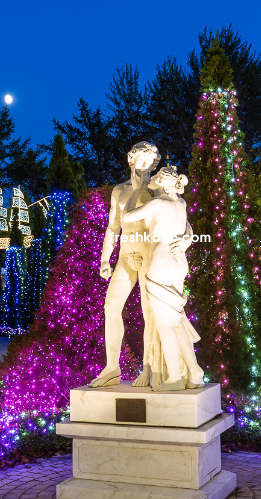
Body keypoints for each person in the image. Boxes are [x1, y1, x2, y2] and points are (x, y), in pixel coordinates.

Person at [122, 166, 204, 391]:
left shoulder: (157, 203)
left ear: (162, 182)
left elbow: (127, 216)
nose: (153, 181)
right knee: (177, 321)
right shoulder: (181, 203)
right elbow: (188, 229)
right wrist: (187, 240)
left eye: (156, 178)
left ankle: (175, 378)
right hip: (180, 262)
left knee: (165, 325)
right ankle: (194, 371)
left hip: (162, 262)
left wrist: (134, 193)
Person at [89, 142, 160, 388]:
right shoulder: (119, 191)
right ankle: (112, 368)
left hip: (150, 255)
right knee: (111, 307)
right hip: (125, 256)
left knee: (149, 312)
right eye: (141, 159)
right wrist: (104, 258)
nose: (145, 165)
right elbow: (113, 227)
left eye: (150, 161)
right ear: (131, 160)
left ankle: (149, 367)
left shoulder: (158, 190)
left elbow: (175, 216)